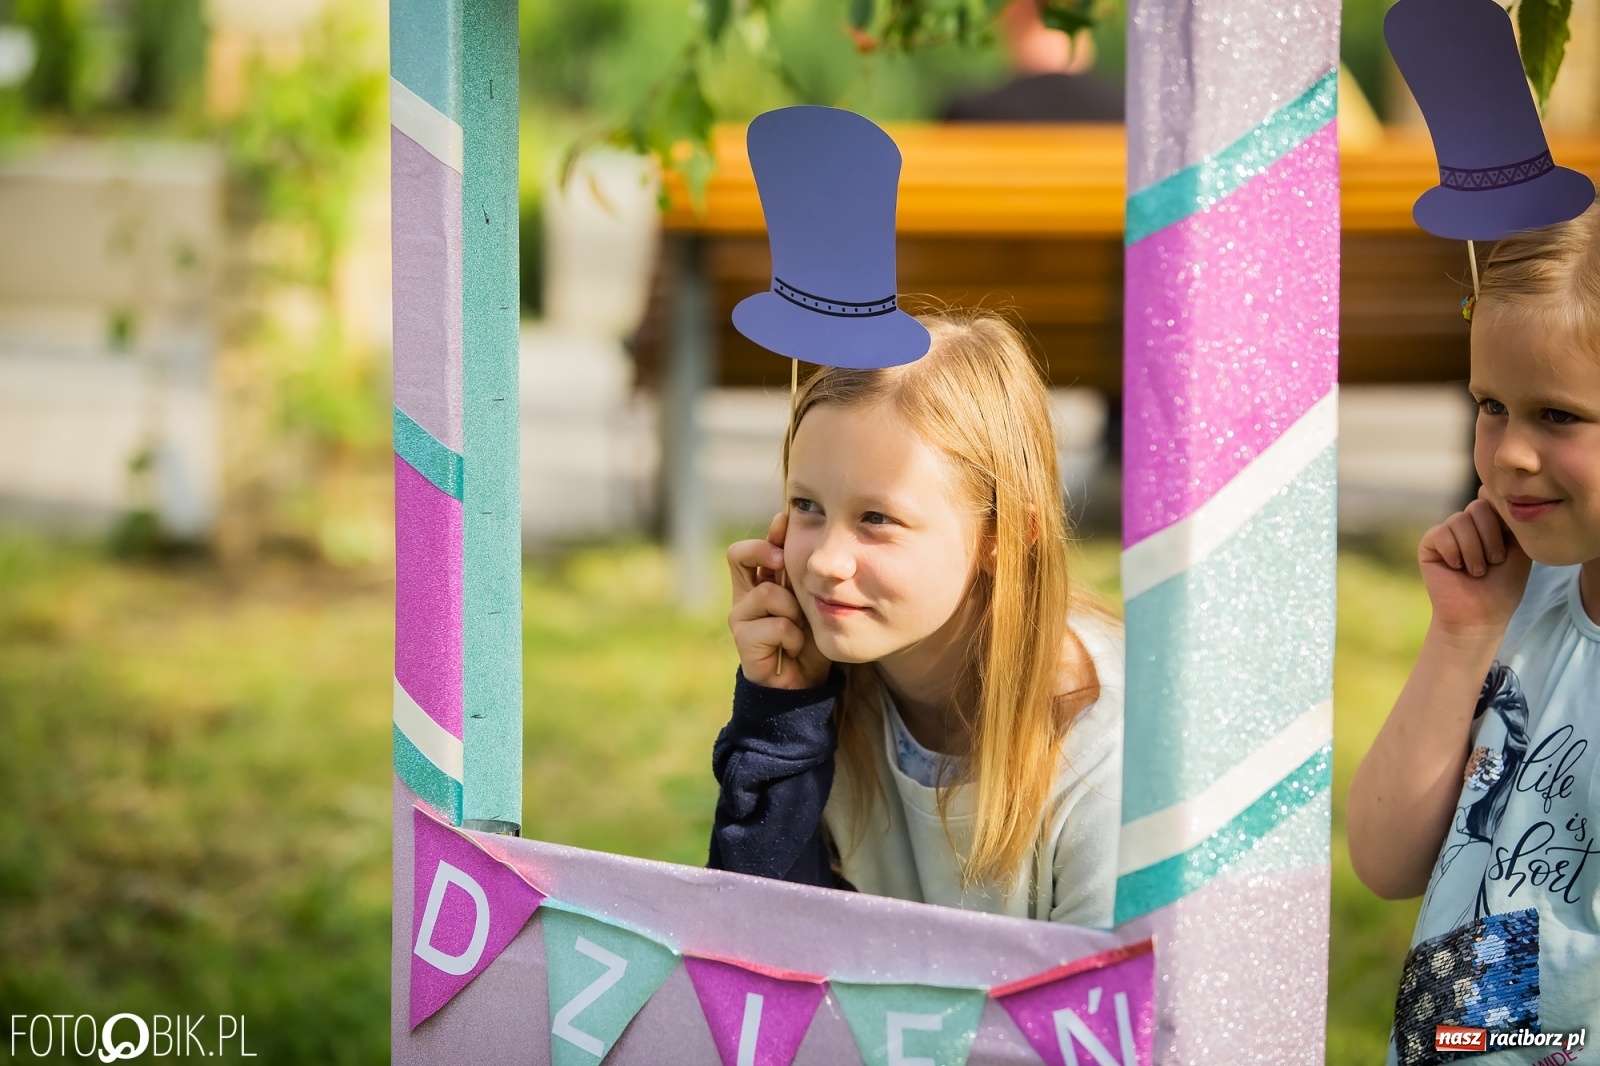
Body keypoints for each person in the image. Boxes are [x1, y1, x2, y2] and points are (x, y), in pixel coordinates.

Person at [707, 311, 1124, 928]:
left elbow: (1110, 1017)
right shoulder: (827, 691)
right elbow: (750, 959)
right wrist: (780, 725)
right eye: (806, 506)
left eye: (876, 518)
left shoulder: (1108, 759)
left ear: (1004, 536)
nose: (823, 560)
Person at [1347, 204, 1600, 1060]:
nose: (1510, 455)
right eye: (1492, 406)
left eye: (1558, 417)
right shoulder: (1522, 597)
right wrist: (1462, 635)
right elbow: (1387, 859)